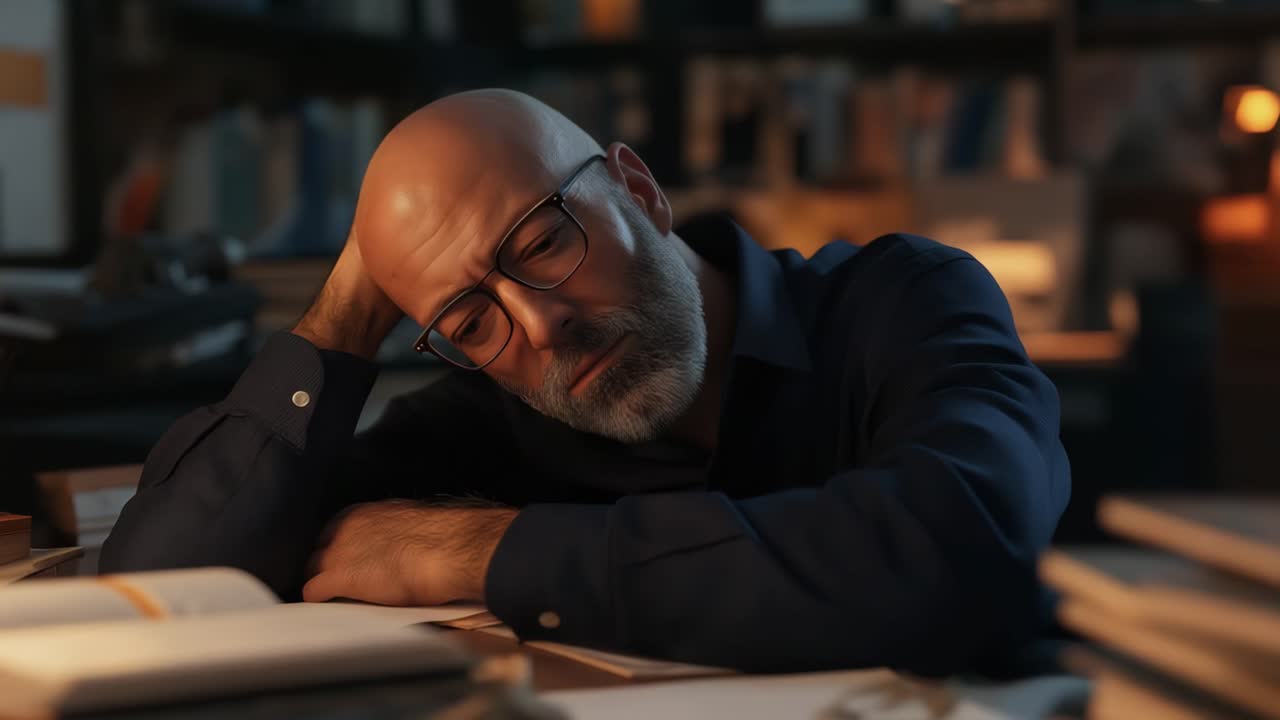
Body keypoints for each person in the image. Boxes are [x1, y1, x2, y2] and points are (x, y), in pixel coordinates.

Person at [101, 89, 1070, 675]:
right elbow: (162, 593)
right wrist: (354, 302)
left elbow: (963, 549)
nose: (538, 324)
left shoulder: (904, 302)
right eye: (469, 319)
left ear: (638, 190)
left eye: (539, 242)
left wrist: (494, 551)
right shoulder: (499, 412)